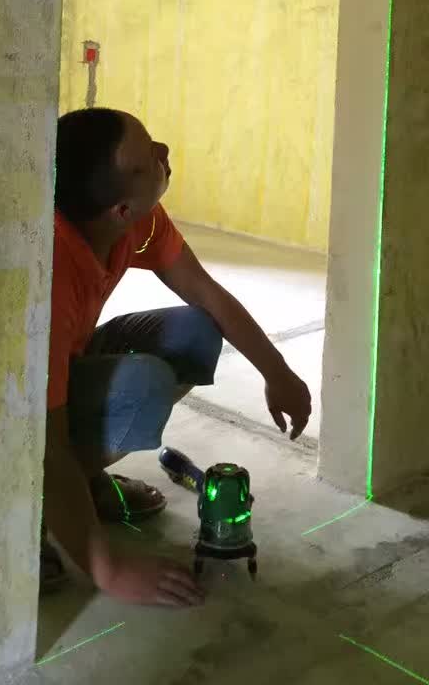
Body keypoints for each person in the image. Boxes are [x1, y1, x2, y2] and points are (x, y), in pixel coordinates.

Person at [42, 107, 312, 609]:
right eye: (149, 156)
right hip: (13, 420)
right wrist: (107, 569)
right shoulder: (49, 269)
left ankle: (85, 482)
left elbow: (206, 294)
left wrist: (278, 373)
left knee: (195, 332)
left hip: (69, 363)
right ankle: (29, 512)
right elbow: (44, 438)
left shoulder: (136, 221)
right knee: (142, 386)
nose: (164, 152)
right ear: (120, 209)